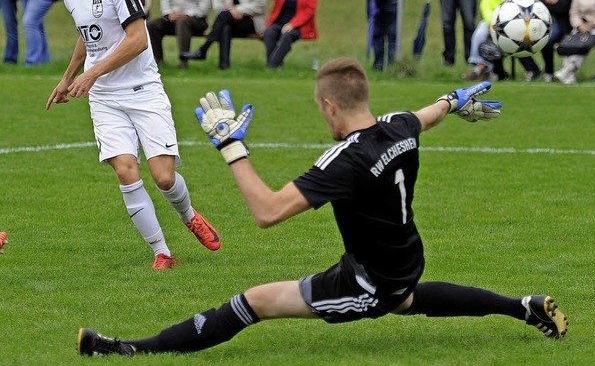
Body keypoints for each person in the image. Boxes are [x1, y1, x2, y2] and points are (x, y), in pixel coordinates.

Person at [76, 58, 568, 357]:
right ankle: (521, 308)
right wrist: (453, 99)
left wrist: (231, 146)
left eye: (319, 108)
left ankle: (132, 349)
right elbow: (429, 114)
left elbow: (267, 211)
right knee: (408, 298)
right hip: (403, 256)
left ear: (331, 106)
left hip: (366, 280)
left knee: (254, 302)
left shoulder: (344, 161)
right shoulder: (397, 125)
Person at [45, 0, 221, 270]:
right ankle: (162, 253)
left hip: (143, 91)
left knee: (164, 178)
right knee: (126, 171)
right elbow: (87, 37)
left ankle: (188, 215)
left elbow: (138, 39)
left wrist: (90, 74)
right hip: (106, 98)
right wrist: (67, 78)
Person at [464, 0, 528, 81]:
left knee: (501, 38)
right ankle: (478, 64)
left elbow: (519, 7)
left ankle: (481, 69)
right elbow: (485, 5)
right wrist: (491, 22)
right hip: (491, 20)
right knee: (479, 34)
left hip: (511, 23)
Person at [519, 0, 573, 82]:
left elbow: (563, 7)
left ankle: (549, 73)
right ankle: (533, 69)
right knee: (516, 38)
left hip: (559, 23)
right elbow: (528, 3)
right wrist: (548, 2)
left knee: (546, 40)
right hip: (534, 22)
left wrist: (541, 4)